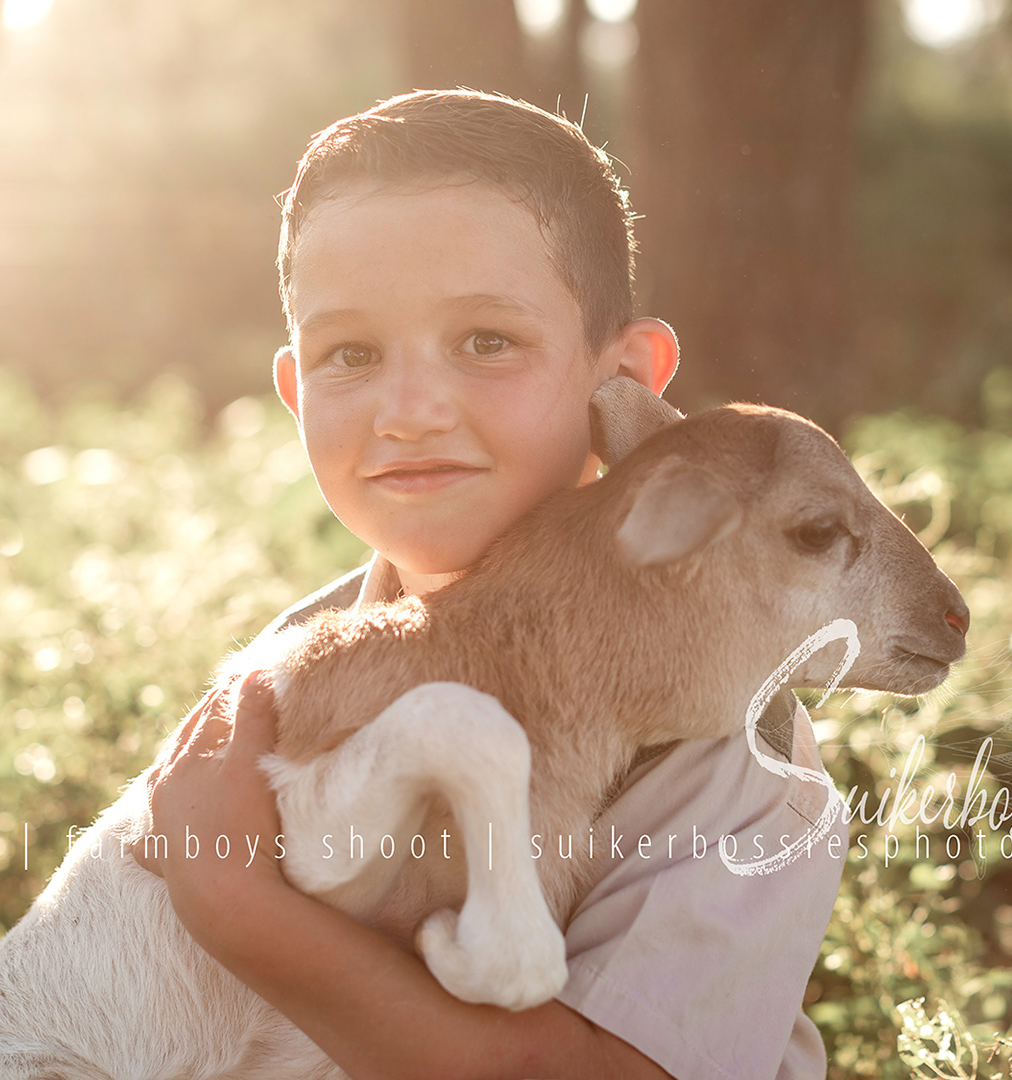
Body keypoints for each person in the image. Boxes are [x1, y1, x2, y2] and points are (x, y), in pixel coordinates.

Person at [138, 89, 843, 1079]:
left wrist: (244, 912)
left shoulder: (731, 754)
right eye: (352, 353)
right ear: (297, 390)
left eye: (485, 340)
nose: (411, 407)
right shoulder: (289, 669)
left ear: (624, 382)